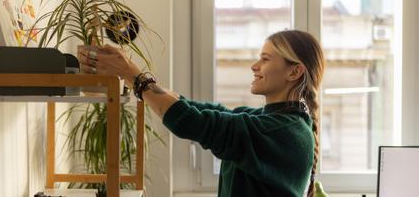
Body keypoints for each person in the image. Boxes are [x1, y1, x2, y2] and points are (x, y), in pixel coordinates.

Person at [78, 30, 325, 197]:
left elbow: (191, 121)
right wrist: (133, 76)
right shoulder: (268, 121)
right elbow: (196, 109)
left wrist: (134, 76)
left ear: (294, 72)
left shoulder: (282, 132)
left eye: (265, 59)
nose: (254, 66)